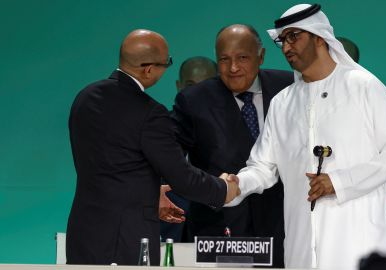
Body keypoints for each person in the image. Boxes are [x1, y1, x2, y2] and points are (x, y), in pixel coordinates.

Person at [225, 4, 386, 270]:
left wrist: (339, 182)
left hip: (357, 237)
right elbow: (263, 167)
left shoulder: (363, 86)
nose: (286, 48)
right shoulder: (283, 103)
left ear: (319, 37)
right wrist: (236, 184)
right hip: (301, 243)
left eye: (293, 37)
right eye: (282, 41)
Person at [66, 29, 239, 265]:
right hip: (126, 240)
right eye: (165, 63)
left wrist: (148, 194)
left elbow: (113, 167)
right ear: (148, 69)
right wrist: (222, 189)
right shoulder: (149, 112)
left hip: (83, 233)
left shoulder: (84, 98)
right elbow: (181, 177)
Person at [171, 24, 294, 267]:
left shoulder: (290, 88)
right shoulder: (194, 100)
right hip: (219, 230)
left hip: (284, 228)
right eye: (224, 60)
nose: (233, 68)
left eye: (242, 58)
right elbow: (171, 155)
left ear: (261, 57)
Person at [161, 56, 218, 242]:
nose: (197, 93)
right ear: (178, 86)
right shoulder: (157, 128)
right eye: (190, 85)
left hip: (215, 234)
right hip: (166, 233)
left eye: (206, 85)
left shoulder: (234, 130)